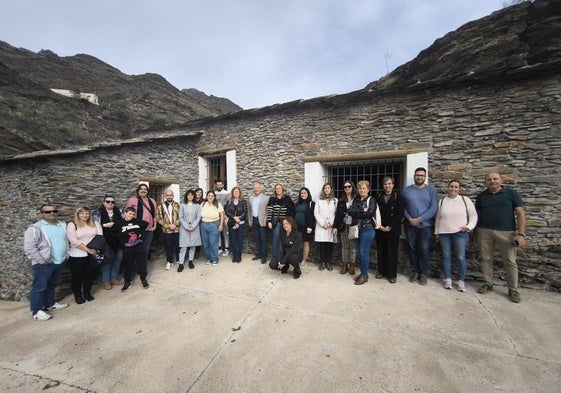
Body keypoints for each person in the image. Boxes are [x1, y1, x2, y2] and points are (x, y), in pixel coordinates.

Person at [475, 172, 526, 303]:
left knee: (510, 260)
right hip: (484, 231)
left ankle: (513, 290)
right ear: (485, 182)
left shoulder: (511, 194)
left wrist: (521, 234)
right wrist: (475, 232)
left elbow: (520, 214)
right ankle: (488, 283)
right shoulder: (482, 196)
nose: (492, 181)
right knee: (485, 258)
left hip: (506, 232)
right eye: (489, 179)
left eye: (495, 179)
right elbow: (476, 214)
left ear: (501, 180)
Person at [24, 204, 69, 321]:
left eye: (54, 211)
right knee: (40, 287)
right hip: (44, 263)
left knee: (52, 284)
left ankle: (50, 303)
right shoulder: (35, 228)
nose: (52, 213)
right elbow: (29, 247)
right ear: (42, 214)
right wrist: (42, 260)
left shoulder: (62, 225)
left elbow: (65, 241)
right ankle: (37, 310)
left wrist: (66, 254)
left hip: (60, 260)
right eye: (48, 212)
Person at [435, 180, 478, 292]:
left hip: (460, 233)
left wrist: (469, 226)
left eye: (456, 187)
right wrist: (437, 232)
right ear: (448, 187)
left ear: (459, 188)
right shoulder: (442, 201)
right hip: (444, 233)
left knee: (460, 257)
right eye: (451, 186)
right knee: (446, 256)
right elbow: (438, 218)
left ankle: (460, 281)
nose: (453, 189)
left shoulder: (465, 200)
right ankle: (447, 279)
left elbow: (473, 215)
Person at [402, 167, 439, 285]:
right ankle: (415, 272)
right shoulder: (406, 190)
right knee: (412, 249)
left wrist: (419, 219)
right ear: (414, 176)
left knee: (424, 250)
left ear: (425, 176)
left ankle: (423, 274)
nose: (419, 177)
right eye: (418, 175)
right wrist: (409, 219)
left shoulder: (431, 190)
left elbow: (433, 208)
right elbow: (402, 207)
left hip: (426, 226)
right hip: (410, 225)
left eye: (422, 175)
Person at [66, 206, 103, 304]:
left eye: (87, 213)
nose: (85, 215)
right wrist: (88, 249)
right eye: (82, 213)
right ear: (77, 215)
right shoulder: (72, 225)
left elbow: (100, 237)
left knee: (90, 275)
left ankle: (87, 293)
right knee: (77, 277)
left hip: (92, 254)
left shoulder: (95, 223)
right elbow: (73, 240)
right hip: (77, 255)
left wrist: (93, 249)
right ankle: (78, 295)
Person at [347, 180, 381, 285]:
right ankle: (363, 273)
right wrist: (362, 211)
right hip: (356, 229)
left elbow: (370, 213)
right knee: (359, 252)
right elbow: (350, 211)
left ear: (368, 189)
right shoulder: (356, 199)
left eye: (364, 188)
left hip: (367, 229)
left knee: (363, 252)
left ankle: (364, 275)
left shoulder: (372, 200)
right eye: (360, 188)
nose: (362, 190)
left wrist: (358, 212)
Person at [375, 177, 405, 284]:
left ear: (393, 185)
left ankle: (392, 275)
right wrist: (380, 225)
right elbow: (376, 212)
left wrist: (390, 226)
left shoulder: (398, 197)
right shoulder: (379, 196)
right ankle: (381, 271)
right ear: (383, 186)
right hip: (380, 229)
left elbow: (400, 214)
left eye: (389, 184)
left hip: (393, 230)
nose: (387, 186)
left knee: (392, 252)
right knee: (381, 251)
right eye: (385, 184)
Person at [93, 195, 124, 290]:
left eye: (112, 202)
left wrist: (114, 224)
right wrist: (104, 225)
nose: (110, 203)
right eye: (108, 201)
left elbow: (123, 223)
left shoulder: (119, 211)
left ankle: (113, 278)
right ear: (103, 202)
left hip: (118, 239)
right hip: (105, 240)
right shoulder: (98, 212)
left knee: (118, 259)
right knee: (107, 260)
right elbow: (94, 225)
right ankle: (105, 280)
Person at [117, 206, 149, 291]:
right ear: (125, 213)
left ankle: (143, 279)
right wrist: (123, 242)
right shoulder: (120, 223)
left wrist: (140, 234)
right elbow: (117, 234)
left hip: (138, 245)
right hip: (128, 247)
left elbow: (146, 224)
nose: (131, 216)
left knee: (141, 263)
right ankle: (127, 282)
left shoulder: (137, 222)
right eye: (129, 214)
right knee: (128, 264)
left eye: (133, 214)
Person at [125, 184, 158, 259]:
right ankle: (134, 270)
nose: (143, 190)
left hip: (149, 230)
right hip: (135, 230)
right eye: (141, 189)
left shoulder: (152, 201)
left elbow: (155, 215)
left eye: (145, 189)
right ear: (138, 190)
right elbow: (127, 215)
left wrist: (155, 226)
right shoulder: (132, 200)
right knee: (134, 249)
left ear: (147, 191)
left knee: (146, 249)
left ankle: (142, 269)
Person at [267, 184, 295, 265]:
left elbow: (292, 209)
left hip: (286, 223)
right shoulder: (272, 199)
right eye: (277, 188)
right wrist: (269, 221)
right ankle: (276, 257)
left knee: (285, 239)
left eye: (279, 188)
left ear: (282, 189)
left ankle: (285, 256)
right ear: (275, 190)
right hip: (277, 223)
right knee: (276, 239)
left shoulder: (287, 198)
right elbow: (270, 211)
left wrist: (290, 222)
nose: (278, 190)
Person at [334, 180, 358, 275]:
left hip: (353, 225)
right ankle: (345, 264)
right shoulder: (341, 200)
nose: (347, 188)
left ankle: (352, 265)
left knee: (352, 246)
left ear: (352, 187)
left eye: (349, 186)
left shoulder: (357, 199)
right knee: (344, 246)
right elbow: (337, 215)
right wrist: (335, 226)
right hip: (343, 225)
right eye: (345, 187)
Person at [314, 183, 338, 271]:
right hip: (321, 226)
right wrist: (323, 223)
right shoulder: (319, 200)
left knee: (329, 245)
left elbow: (336, 213)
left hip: (330, 226)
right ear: (323, 190)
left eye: (328, 188)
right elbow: (316, 213)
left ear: (331, 189)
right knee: (322, 245)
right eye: (325, 188)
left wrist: (330, 223)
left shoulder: (335, 200)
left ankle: (328, 262)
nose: (327, 189)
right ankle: (322, 262)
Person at [178, 189, 202, 271]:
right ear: (186, 196)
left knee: (192, 245)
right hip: (184, 228)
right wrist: (187, 227)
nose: (190, 196)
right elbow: (180, 217)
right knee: (183, 246)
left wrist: (193, 226)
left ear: (193, 196)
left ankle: (190, 261)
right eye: (189, 195)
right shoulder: (182, 205)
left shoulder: (197, 206)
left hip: (194, 228)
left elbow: (198, 217)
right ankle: (181, 263)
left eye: (192, 195)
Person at [157, 189, 180, 270]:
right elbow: (158, 218)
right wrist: (168, 225)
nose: (169, 196)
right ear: (165, 196)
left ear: (173, 196)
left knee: (178, 246)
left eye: (171, 195)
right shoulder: (161, 206)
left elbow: (181, 216)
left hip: (177, 229)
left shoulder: (178, 205)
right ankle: (169, 261)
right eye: (167, 195)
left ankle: (178, 259)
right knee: (168, 246)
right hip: (167, 230)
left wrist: (175, 224)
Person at [200, 191, 224, 266]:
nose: (210, 197)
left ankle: (214, 259)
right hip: (203, 224)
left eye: (212, 196)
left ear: (214, 197)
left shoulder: (217, 204)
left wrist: (221, 225)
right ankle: (209, 258)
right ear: (206, 197)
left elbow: (222, 215)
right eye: (209, 196)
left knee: (213, 243)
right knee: (205, 243)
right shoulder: (203, 204)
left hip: (214, 225)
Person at [224, 186, 248, 263]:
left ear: (239, 193)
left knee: (240, 240)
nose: (236, 193)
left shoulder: (243, 201)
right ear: (232, 193)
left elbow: (245, 212)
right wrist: (234, 218)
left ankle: (239, 255)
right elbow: (227, 212)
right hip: (232, 223)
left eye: (237, 192)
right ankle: (234, 256)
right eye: (234, 192)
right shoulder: (229, 202)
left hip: (241, 224)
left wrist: (239, 219)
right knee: (233, 240)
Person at [248, 182, 270, 264]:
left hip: (262, 221)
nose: (256, 189)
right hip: (254, 220)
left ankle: (264, 256)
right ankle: (259, 254)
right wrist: (250, 221)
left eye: (258, 188)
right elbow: (249, 210)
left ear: (261, 189)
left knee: (263, 239)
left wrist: (265, 221)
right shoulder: (250, 198)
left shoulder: (266, 198)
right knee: (257, 239)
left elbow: (268, 211)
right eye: (255, 188)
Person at [294, 187, 315, 266]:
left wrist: (310, 227)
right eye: (301, 193)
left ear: (308, 194)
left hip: (306, 227)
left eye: (305, 193)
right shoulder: (297, 203)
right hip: (297, 227)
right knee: (298, 243)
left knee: (305, 243)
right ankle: (300, 257)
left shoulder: (311, 203)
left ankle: (304, 260)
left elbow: (312, 217)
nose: (303, 194)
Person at [214, 179, 230, 256]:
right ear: (216, 186)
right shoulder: (214, 193)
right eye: (218, 185)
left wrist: (225, 215)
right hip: (216, 216)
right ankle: (219, 248)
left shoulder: (227, 193)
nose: (219, 186)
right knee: (218, 232)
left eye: (220, 185)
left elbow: (228, 205)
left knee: (225, 232)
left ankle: (227, 248)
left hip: (224, 215)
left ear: (223, 185)